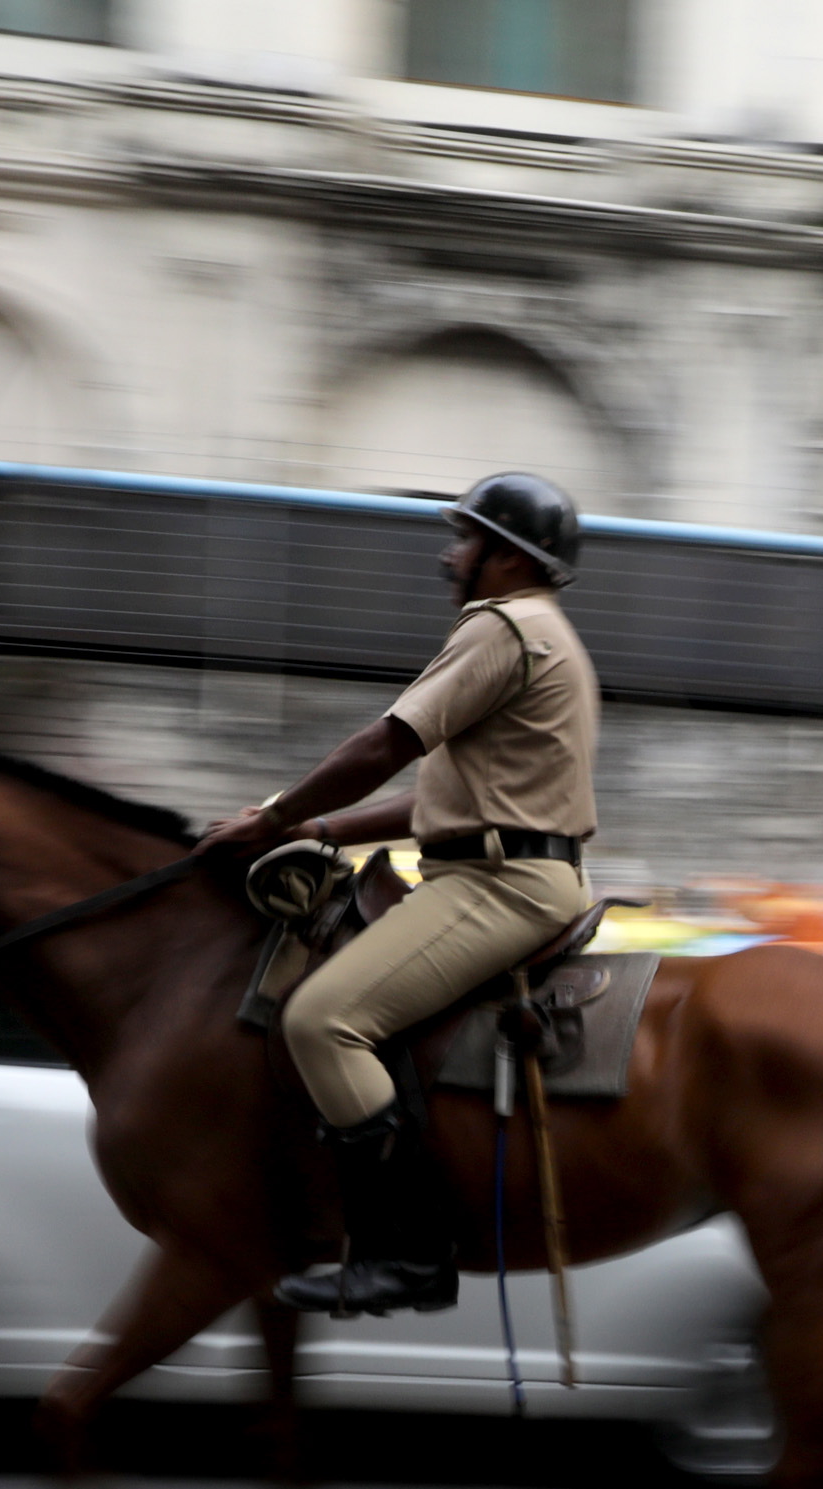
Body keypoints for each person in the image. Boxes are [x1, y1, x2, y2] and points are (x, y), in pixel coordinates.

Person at [201, 472, 600, 1317]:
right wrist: (315, 834)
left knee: (321, 1019)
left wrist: (273, 812)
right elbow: (441, 801)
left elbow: (385, 745)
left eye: (465, 540)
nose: (449, 555)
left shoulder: (501, 625)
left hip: (500, 885)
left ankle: (407, 1256)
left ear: (505, 558)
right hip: (501, 865)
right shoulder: (547, 632)